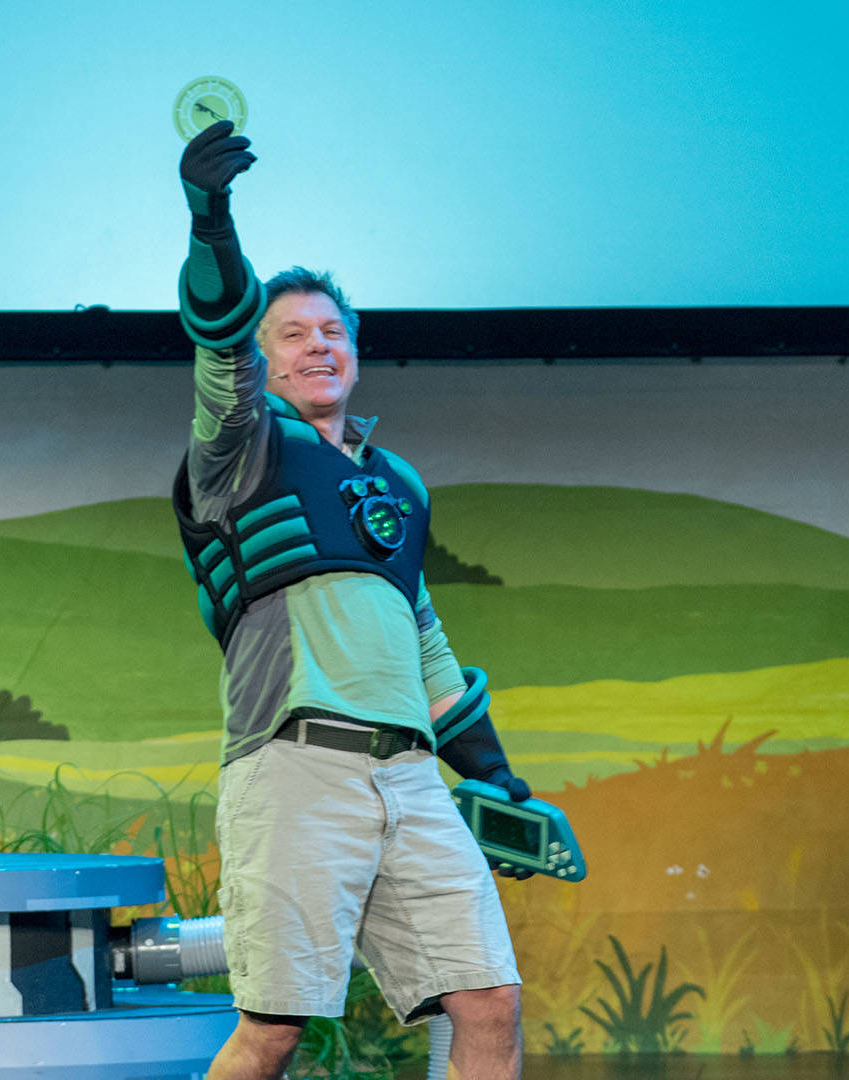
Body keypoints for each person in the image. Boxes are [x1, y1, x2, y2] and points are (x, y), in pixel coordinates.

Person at [170, 121, 530, 1080]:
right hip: (295, 763)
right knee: (274, 1029)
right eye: (291, 334)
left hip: (409, 776)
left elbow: (423, 636)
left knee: (490, 1002)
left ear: (357, 357)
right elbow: (217, 340)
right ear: (265, 360)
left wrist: (494, 774)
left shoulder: (398, 483)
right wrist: (211, 221)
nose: (316, 346)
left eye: (333, 332)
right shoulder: (240, 446)